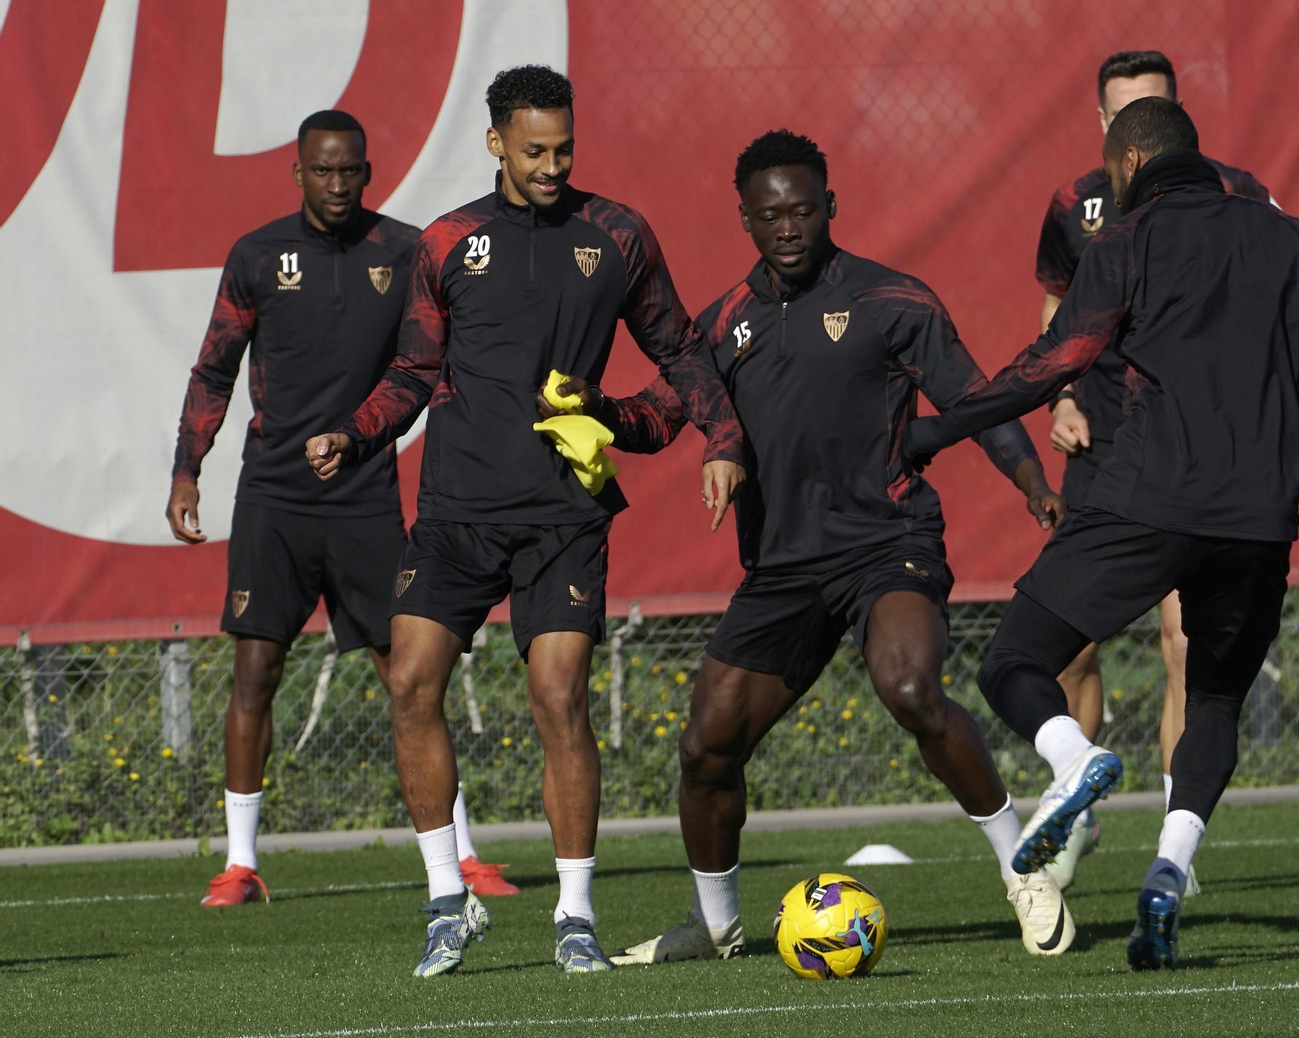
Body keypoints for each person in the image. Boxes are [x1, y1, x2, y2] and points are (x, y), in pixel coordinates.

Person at [904, 97, 1299, 971]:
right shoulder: (1290, 238)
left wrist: (935, 431)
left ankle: (1075, 758)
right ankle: (1168, 869)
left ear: (1125, 169)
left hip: (1148, 501)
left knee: (1012, 663)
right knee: (1217, 699)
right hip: (1260, 518)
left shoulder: (1123, 241)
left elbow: (1055, 361)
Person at [551, 130, 1073, 964]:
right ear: (746, 221)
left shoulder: (894, 301)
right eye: (770, 215)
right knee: (705, 745)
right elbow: (661, 414)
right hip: (785, 568)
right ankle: (716, 925)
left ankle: (1024, 870)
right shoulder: (722, 324)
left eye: (802, 210)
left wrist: (1032, 483)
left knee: (909, 686)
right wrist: (600, 408)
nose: (787, 227)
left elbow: (979, 402)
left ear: (829, 207)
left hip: (888, 542)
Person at [304, 66, 745, 977]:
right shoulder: (447, 242)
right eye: (535, 150)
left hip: (563, 517)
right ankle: (444, 902)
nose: (553, 166)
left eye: (566, 149)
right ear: (498, 141)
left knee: (558, 698)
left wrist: (719, 437)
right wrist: (354, 432)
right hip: (457, 512)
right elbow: (412, 375)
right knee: (409, 683)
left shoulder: (617, 234)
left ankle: (574, 917)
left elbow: (680, 349)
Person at [167, 110, 513, 910]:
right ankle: (241, 865)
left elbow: (433, 362)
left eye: (349, 171)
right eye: (321, 171)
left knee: (411, 675)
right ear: (297, 173)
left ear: (367, 171)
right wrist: (188, 472)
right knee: (256, 671)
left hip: (365, 501)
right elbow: (214, 369)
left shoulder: (403, 250)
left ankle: (463, 855)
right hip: (273, 499)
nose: (335, 185)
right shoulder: (256, 255)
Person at [1031, 50, 1299, 890]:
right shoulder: (1078, 205)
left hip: (1192, 452)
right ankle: (1075, 809)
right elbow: (1055, 304)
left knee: (1184, 645)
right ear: (1106, 127)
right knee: (1070, 649)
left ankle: (1173, 848)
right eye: (1125, 110)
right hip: (1104, 443)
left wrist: (1295, 364)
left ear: (1177, 112)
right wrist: (1059, 400)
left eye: (1154, 105)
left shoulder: (1238, 194)